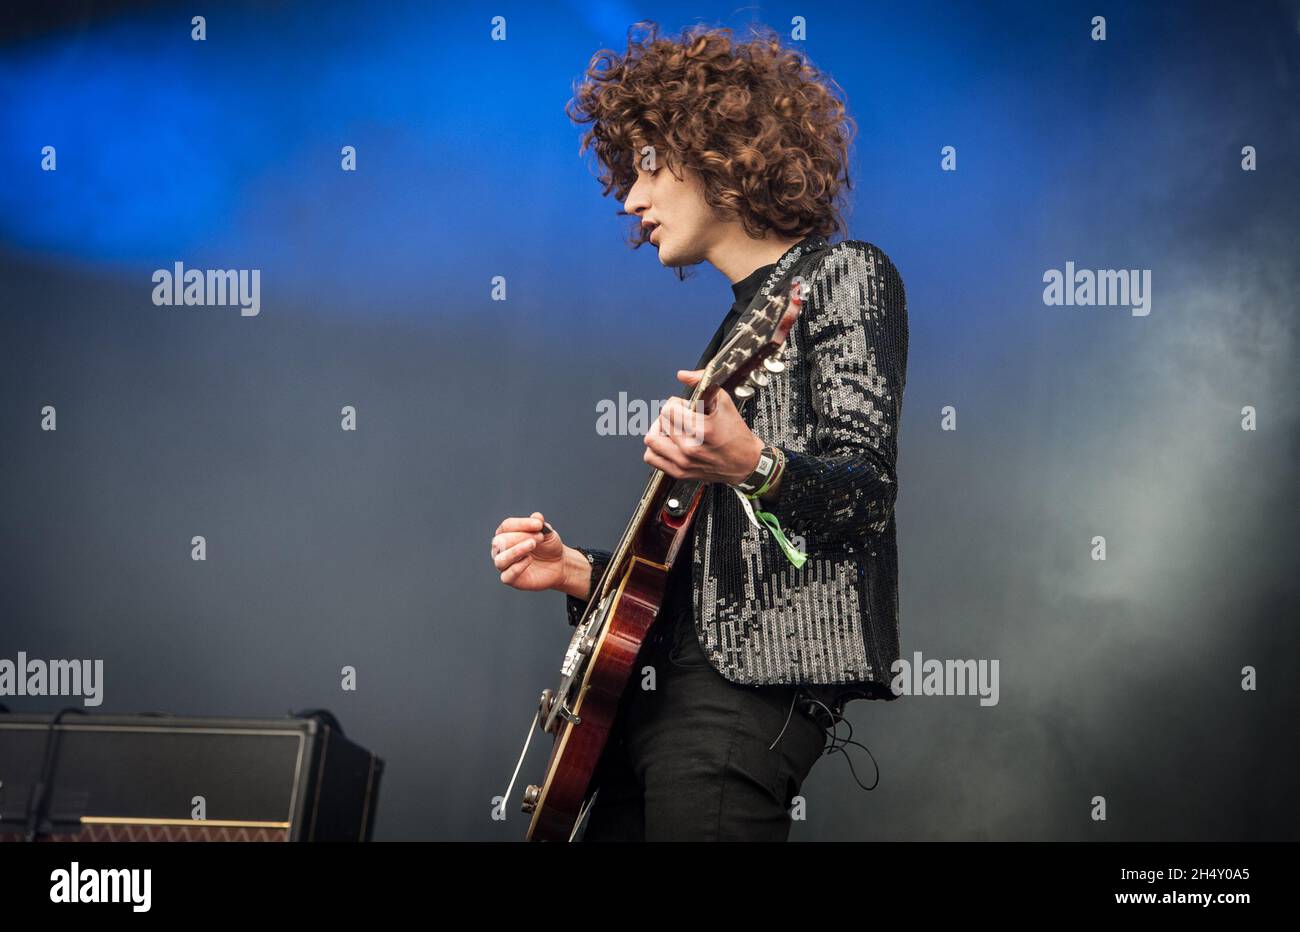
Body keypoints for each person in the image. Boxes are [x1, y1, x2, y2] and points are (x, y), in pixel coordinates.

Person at [489, 21, 908, 841]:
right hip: (651, 698)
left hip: (746, 694)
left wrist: (753, 464)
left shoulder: (844, 275)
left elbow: (867, 497)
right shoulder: (731, 334)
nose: (631, 201)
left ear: (722, 150)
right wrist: (581, 573)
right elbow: (701, 570)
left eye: (645, 165)